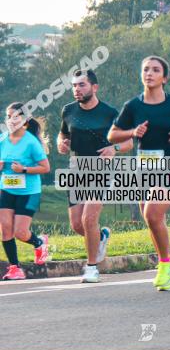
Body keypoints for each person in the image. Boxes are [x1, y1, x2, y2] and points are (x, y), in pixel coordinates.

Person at [108, 56, 170, 291]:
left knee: (152, 214)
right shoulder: (133, 106)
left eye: (155, 70)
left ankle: (164, 265)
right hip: (144, 169)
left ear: (165, 77)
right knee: (151, 220)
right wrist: (132, 131)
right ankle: (168, 265)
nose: (149, 73)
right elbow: (112, 135)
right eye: (145, 69)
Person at [58, 69, 133, 283]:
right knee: (76, 225)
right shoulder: (68, 111)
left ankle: (91, 268)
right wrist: (61, 144)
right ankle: (101, 238)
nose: (77, 89)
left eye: (81, 85)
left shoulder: (110, 113)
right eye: (74, 85)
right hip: (77, 169)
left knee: (89, 218)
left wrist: (114, 149)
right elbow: (63, 134)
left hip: (102, 170)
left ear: (94, 87)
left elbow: (128, 142)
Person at [0, 104, 51, 280]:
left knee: (20, 233)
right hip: (7, 190)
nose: (11, 120)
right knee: (5, 229)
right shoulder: (2, 139)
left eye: (16, 117)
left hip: (28, 192)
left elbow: (45, 168)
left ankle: (39, 242)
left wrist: (23, 169)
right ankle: (15, 268)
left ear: (25, 122)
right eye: (8, 116)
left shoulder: (31, 142)